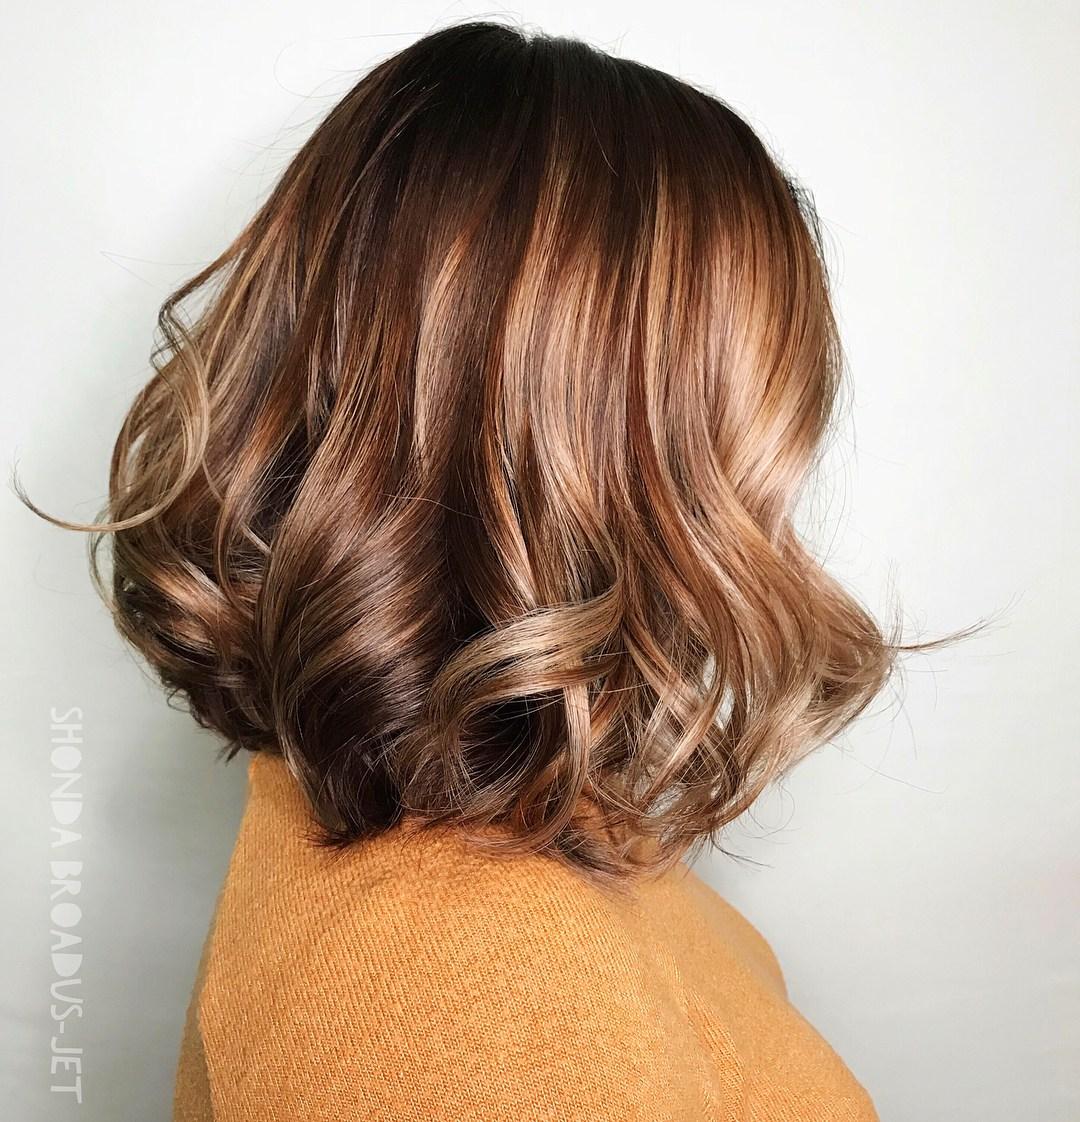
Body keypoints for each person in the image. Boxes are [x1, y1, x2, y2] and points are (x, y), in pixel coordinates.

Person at [56, 20, 904, 1120]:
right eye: (754, 428)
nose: (773, 501)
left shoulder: (496, 845)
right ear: (633, 460)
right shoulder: (464, 1004)